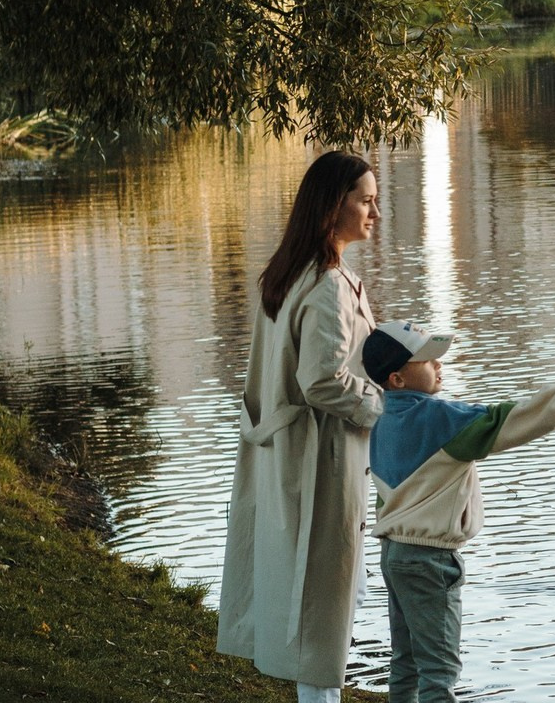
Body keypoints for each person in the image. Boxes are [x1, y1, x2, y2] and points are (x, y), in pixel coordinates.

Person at [362, 319, 555, 703]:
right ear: (398, 378)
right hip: (430, 559)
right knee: (439, 668)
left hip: (394, 554)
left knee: (406, 659)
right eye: (427, 360)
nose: (438, 365)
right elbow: (504, 421)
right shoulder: (440, 420)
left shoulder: (381, 422)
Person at [217, 150, 385, 703]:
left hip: (290, 455)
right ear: (334, 206)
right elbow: (321, 380)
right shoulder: (328, 284)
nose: (375, 213)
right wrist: (385, 406)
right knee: (323, 607)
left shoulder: (290, 273)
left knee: (314, 596)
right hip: (321, 461)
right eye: (366, 201)